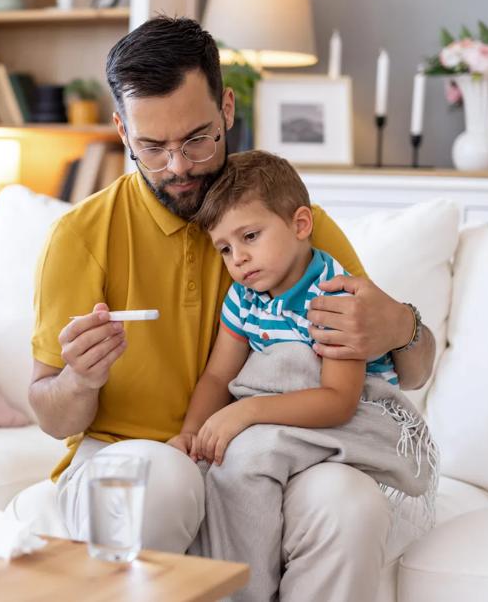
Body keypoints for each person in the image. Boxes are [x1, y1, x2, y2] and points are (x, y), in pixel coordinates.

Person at [28, 17, 436, 601]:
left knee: (348, 503)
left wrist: (402, 325)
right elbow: (51, 415)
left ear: (226, 108)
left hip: (270, 447)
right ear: (121, 130)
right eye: (152, 147)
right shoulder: (80, 235)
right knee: (162, 478)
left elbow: (411, 372)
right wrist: (78, 378)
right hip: (130, 453)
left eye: (197, 138)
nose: (178, 166)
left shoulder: (295, 226)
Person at [165, 149, 437, 601]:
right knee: (220, 464)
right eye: (226, 249)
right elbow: (217, 376)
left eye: (250, 236)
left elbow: (339, 399)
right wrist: (193, 435)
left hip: (352, 419)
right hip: (292, 414)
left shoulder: (333, 295)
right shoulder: (243, 298)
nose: (240, 259)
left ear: (300, 225)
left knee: (247, 456)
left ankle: (245, 592)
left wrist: (247, 413)